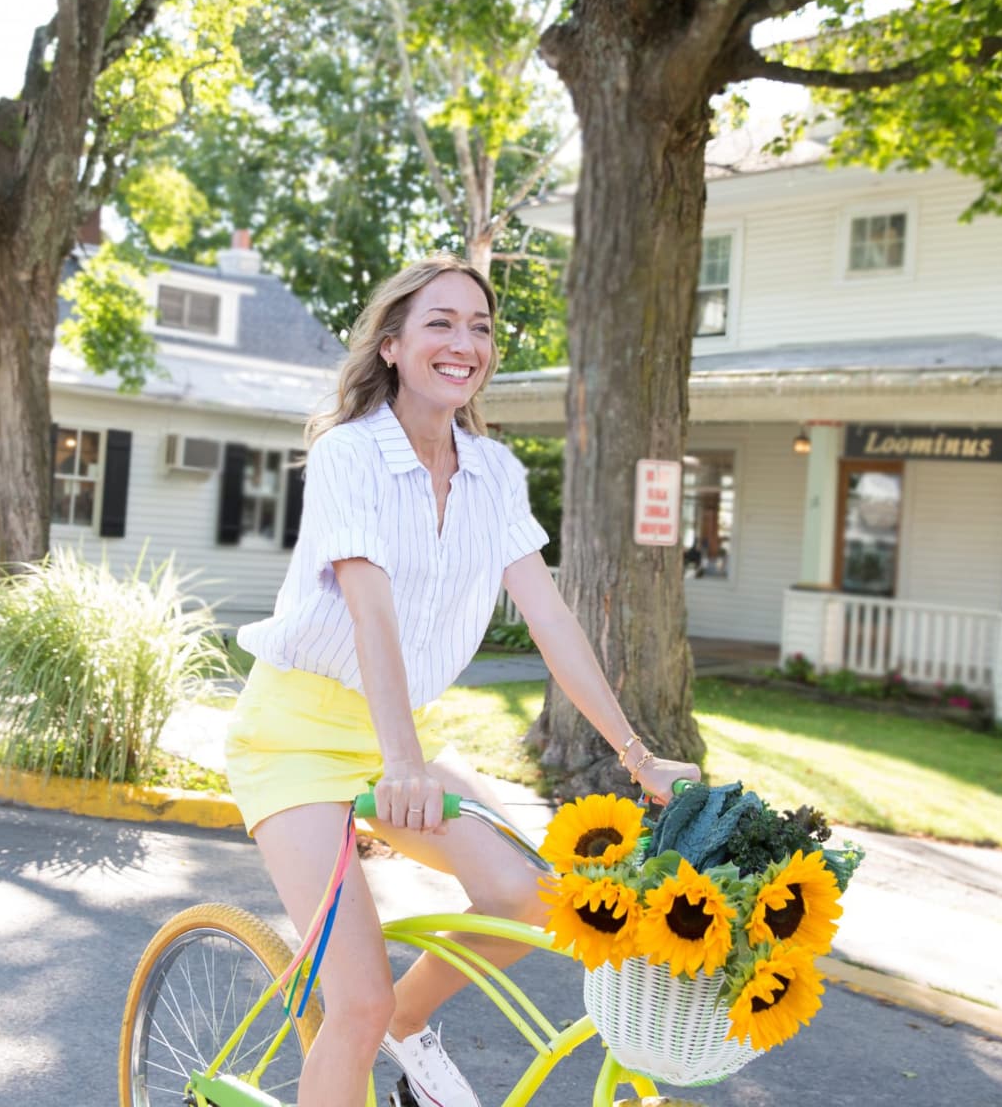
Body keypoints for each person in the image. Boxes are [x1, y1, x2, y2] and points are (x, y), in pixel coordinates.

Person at [227, 254, 701, 1107]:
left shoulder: (492, 474)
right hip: (294, 737)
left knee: (528, 898)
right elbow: (369, 608)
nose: (465, 342)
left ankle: (406, 1026)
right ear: (393, 347)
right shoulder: (348, 454)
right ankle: (376, 1019)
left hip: (394, 739)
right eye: (440, 323)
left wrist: (639, 756)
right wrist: (402, 765)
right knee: (356, 1000)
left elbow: (551, 620)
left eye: (479, 327)